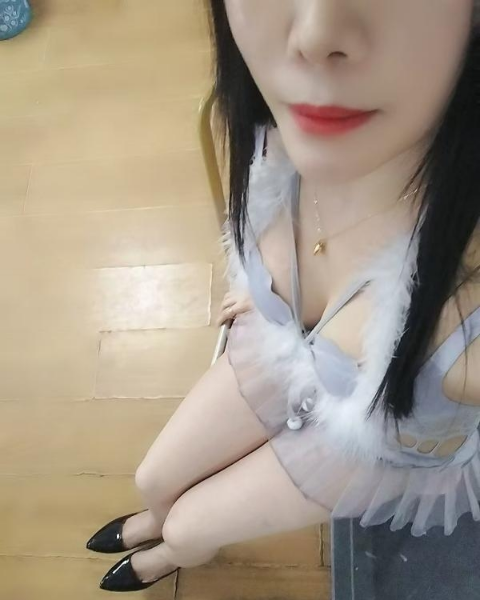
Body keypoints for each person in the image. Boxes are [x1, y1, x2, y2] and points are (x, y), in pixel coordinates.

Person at [85, 0, 480, 592]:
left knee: (190, 528)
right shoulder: (277, 135)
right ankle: (162, 524)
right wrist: (264, 289)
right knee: (155, 480)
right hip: (279, 351)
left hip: (374, 444)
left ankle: (174, 548)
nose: (315, 33)